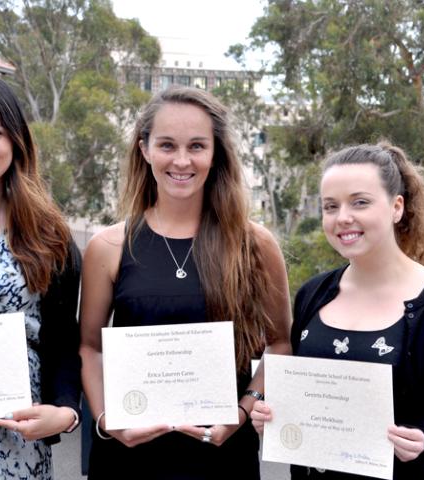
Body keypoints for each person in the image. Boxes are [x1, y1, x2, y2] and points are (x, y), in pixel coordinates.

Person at [79, 85, 292, 479]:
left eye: (196, 146)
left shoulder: (255, 244)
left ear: (215, 154)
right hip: (129, 460)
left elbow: (279, 342)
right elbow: (90, 348)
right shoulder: (108, 246)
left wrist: (243, 411)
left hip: (221, 456)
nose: (181, 160)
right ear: (144, 150)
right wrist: (108, 419)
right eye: (166, 145)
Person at [251, 142, 424, 479]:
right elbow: (299, 393)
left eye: (360, 202)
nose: (343, 217)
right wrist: (271, 415)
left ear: (396, 207)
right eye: (330, 206)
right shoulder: (313, 294)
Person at [0, 74, 81, 479]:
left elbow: (62, 340)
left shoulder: (46, 235)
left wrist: (65, 413)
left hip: (14, 443)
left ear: (16, 141)